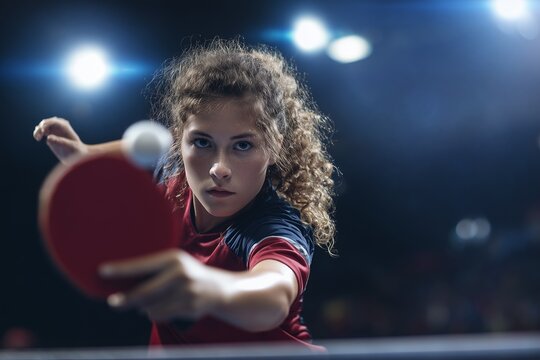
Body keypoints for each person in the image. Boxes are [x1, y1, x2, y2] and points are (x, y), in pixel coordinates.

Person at [33, 39, 336, 349]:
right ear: (180, 139)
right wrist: (84, 156)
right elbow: (138, 155)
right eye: (202, 142)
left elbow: (274, 294)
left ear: (274, 148)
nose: (219, 168)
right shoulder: (174, 179)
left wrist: (213, 289)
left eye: (243, 145)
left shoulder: (271, 228)